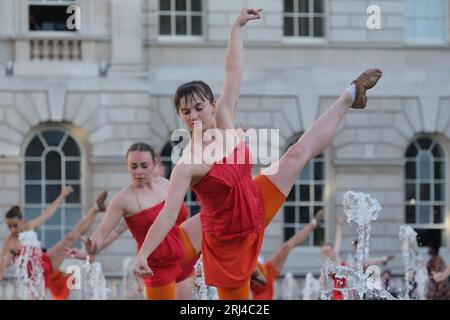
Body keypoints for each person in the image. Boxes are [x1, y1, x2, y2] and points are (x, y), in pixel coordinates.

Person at [132, 6, 382, 300]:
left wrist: (236, 28)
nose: (194, 115)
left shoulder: (225, 116)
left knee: (295, 153)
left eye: (199, 107)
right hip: (229, 238)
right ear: (179, 116)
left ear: (212, 105)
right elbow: (167, 215)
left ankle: (350, 96)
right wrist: (143, 255)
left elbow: (232, 70)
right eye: (186, 112)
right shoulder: (188, 163)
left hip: (255, 198)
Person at [81, 142, 201, 300]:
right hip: (155, 267)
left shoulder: (164, 184)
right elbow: (103, 232)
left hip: (182, 253)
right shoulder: (123, 199)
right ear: (127, 166)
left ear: (154, 163)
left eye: (144, 166)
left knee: (213, 215)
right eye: (133, 166)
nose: (139, 172)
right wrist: (92, 246)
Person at [0, 187, 107, 300]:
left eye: (15, 225)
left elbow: (47, 213)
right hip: (33, 279)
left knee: (70, 238)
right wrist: (7, 261)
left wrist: (61, 196)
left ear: (22, 221)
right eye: (9, 226)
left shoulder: (29, 227)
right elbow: (2, 265)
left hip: (46, 262)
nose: (12, 229)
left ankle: (96, 207)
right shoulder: (9, 243)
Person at [250, 209, 324, 300]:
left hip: (266, 270)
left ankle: (314, 223)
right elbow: (261, 282)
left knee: (286, 247)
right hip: (260, 287)